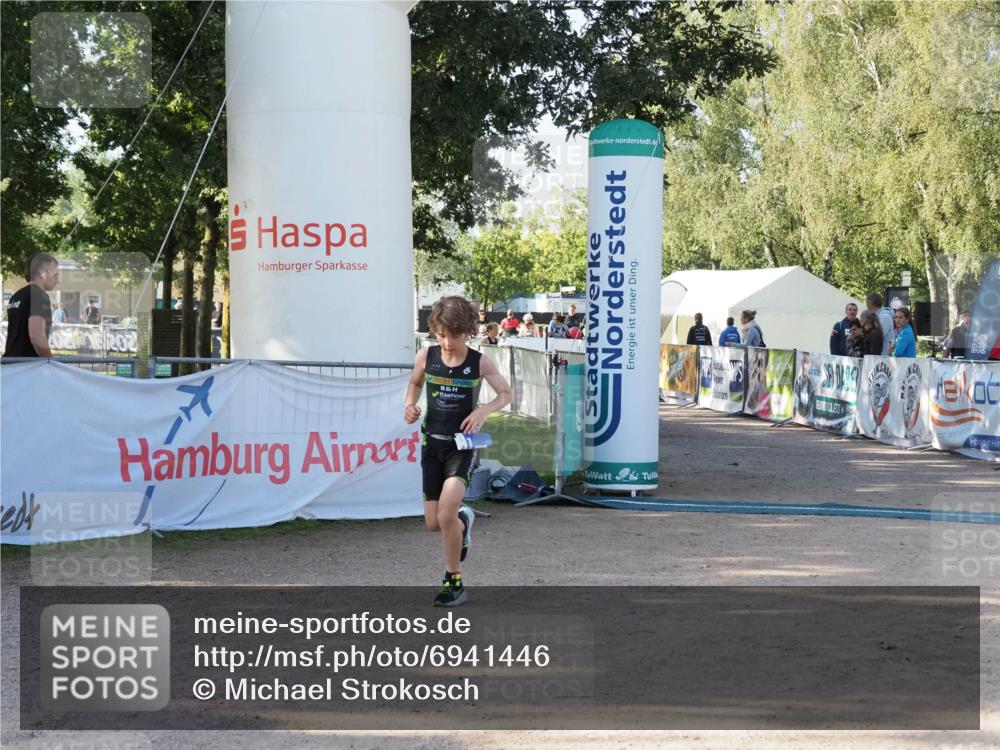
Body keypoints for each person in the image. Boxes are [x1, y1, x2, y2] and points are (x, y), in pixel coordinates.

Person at [404, 296, 513, 607]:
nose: (447, 342)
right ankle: (463, 520)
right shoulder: (426, 355)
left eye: (455, 335)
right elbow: (414, 384)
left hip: (462, 447)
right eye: (441, 335)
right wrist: (409, 405)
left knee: (445, 513)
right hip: (432, 444)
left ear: (468, 331)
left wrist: (483, 411)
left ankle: (453, 582)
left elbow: (505, 393)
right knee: (433, 523)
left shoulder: (480, 362)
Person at [4, 253, 59, 358]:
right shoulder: (39, 295)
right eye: (55, 275)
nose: (58, 280)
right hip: (28, 364)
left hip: (10, 361)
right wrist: (50, 361)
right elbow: (36, 336)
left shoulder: (16, 295)